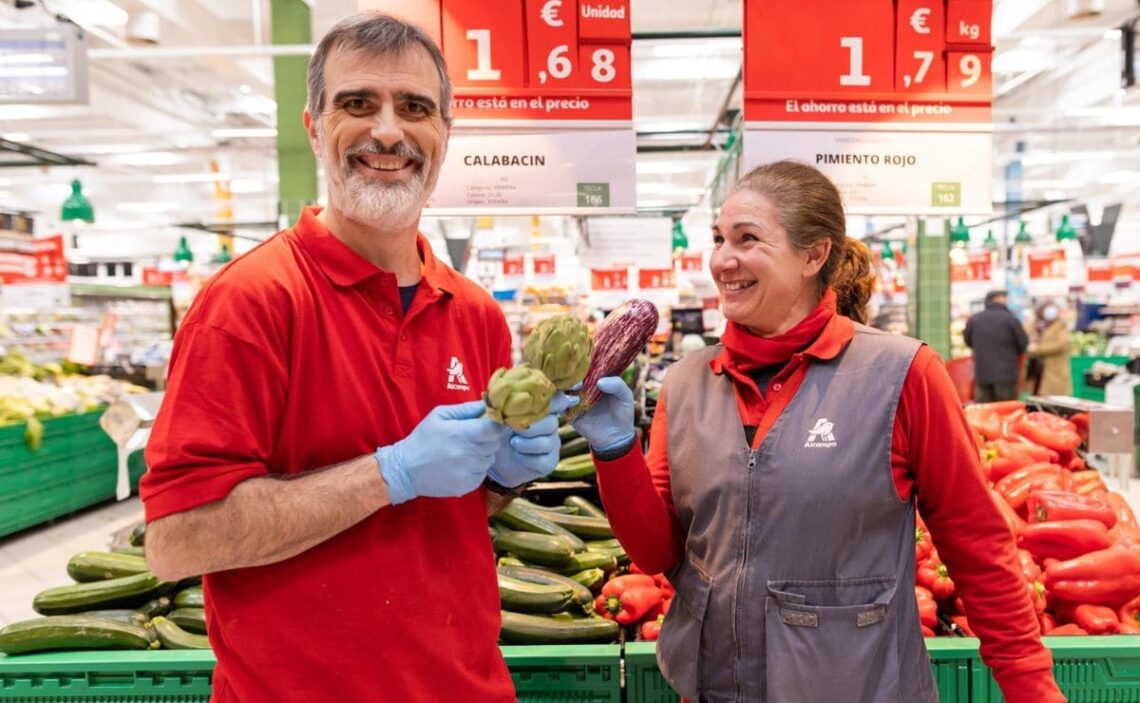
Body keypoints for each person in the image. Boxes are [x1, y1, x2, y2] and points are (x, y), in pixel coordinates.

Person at [139, 13, 569, 702]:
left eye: (416, 108)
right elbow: (176, 542)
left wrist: (501, 480)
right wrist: (389, 472)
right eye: (358, 103)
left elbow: (443, 522)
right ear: (314, 128)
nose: (390, 131)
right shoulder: (249, 302)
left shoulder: (478, 314)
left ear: (445, 135)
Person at [570, 161, 1063, 702]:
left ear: (813, 255)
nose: (722, 260)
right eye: (718, 239)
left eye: (748, 239)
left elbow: (979, 549)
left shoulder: (903, 375)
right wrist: (615, 452)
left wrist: (1032, 690)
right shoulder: (688, 384)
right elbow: (657, 553)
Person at [964, 289, 1029, 401]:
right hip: (1006, 375)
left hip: (982, 374)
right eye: (1004, 297)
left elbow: (968, 341)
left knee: (985, 412)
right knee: (1006, 411)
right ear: (998, 300)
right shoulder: (1011, 319)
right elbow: (1023, 344)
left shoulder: (975, 319)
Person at [1027, 299, 1073, 396]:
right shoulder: (1032, 324)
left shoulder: (1060, 324)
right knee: (1034, 396)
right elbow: (1024, 339)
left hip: (1053, 369)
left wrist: (1038, 349)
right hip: (1034, 369)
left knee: (1051, 399)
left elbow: (1062, 344)